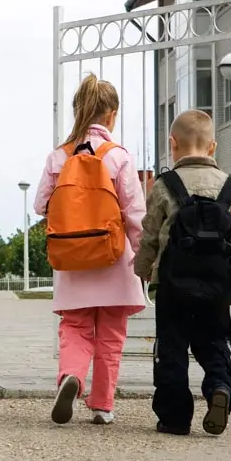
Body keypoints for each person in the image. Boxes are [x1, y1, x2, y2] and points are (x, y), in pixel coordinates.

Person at [34, 73, 147, 426]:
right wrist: (144, 259)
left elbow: (40, 206)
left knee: (75, 326)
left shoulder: (58, 157)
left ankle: (72, 376)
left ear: (76, 112)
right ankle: (102, 405)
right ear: (112, 115)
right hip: (113, 258)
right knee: (111, 335)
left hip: (72, 259)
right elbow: (135, 214)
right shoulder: (119, 157)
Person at [134, 109, 231, 436]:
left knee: (171, 350)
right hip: (216, 285)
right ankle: (220, 387)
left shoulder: (164, 186)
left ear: (173, 144)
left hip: (173, 286)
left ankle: (174, 418)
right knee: (215, 342)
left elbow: (150, 234)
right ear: (213, 147)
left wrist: (143, 270)